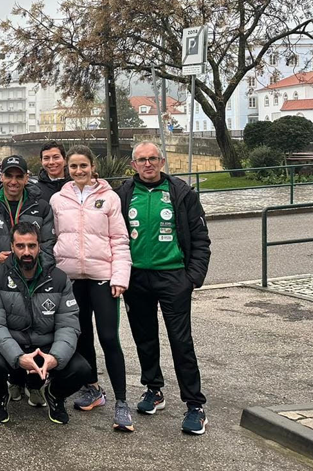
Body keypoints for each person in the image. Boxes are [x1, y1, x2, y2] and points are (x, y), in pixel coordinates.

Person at [116, 141, 211, 435]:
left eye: (152, 159)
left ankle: (195, 404)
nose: (147, 164)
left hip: (173, 277)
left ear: (162, 161)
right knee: (144, 338)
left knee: (181, 342)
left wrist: (192, 277)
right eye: (141, 160)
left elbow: (201, 239)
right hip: (137, 278)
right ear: (133, 165)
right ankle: (153, 390)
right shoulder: (123, 194)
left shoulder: (181, 193)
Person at [49, 145, 134, 432]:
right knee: (82, 336)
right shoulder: (58, 199)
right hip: (72, 279)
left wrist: (120, 277)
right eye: (73, 167)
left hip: (102, 277)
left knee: (109, 337)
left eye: (83, 166)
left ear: (92, 167)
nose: (78, 171)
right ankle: (93, 389)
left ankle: (121, 402)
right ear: (67, 169)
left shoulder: (109, 198)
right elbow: (53, 238)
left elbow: (120, 239)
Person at [0, 221, 91, 425]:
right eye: (20, 246)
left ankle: (55, 395)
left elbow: (68, 325)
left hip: (46, 346)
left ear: (39, 246)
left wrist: (55, 358)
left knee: (82, 369)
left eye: (31, 246)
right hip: (14, 345)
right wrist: (19, 357)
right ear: (12, 247)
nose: (26, 252)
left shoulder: (59, 278)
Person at [0, 155, 56, 406]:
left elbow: (49, 245)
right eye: (9, 175)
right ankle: (6, 381)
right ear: (1, 177)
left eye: (19, 176)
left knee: (34, 329)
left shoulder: (41, 206)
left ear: (26, 177)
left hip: (33, 280)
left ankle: (32, 382)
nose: (14, 181)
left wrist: (39, 269)